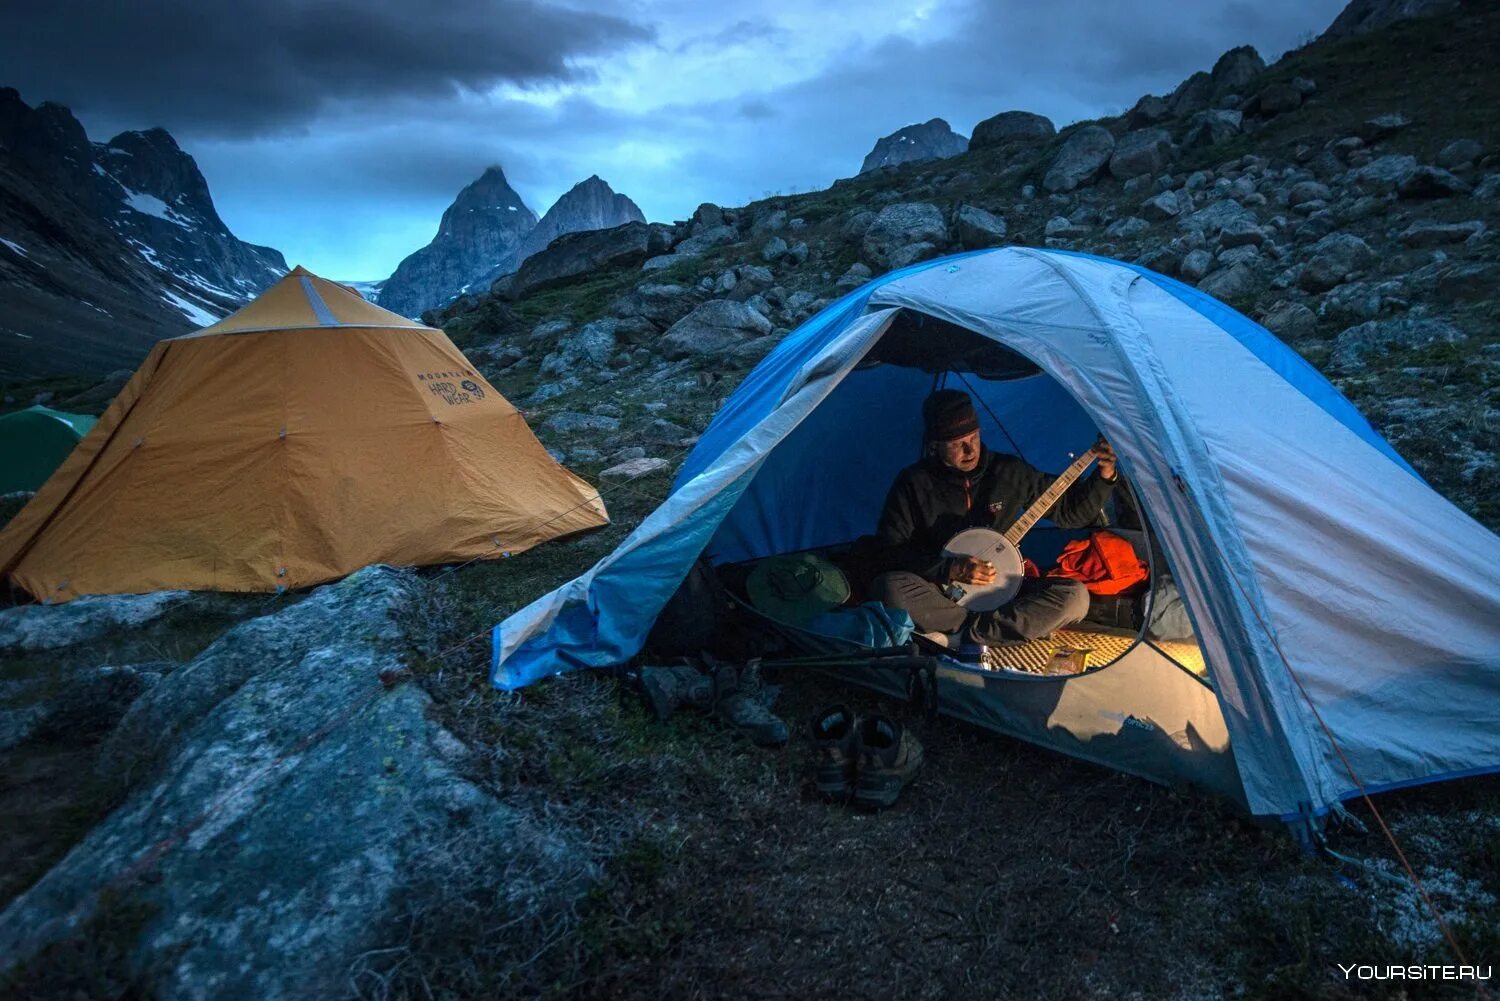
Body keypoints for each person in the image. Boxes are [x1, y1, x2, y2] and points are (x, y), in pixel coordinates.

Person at [871, 388, 1119, 646]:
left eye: (974, 437)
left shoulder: (1009, 471)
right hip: (942, 594)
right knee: (888, 587)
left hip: (1005, 590)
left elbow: (1071, 514)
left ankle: (962, 637)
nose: (969, 450)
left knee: (1075, 597)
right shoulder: (914, 482)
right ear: (935, 445)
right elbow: (889, 551)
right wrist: (949, 568)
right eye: (957, 444)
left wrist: (1105, 475)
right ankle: (997, 630)